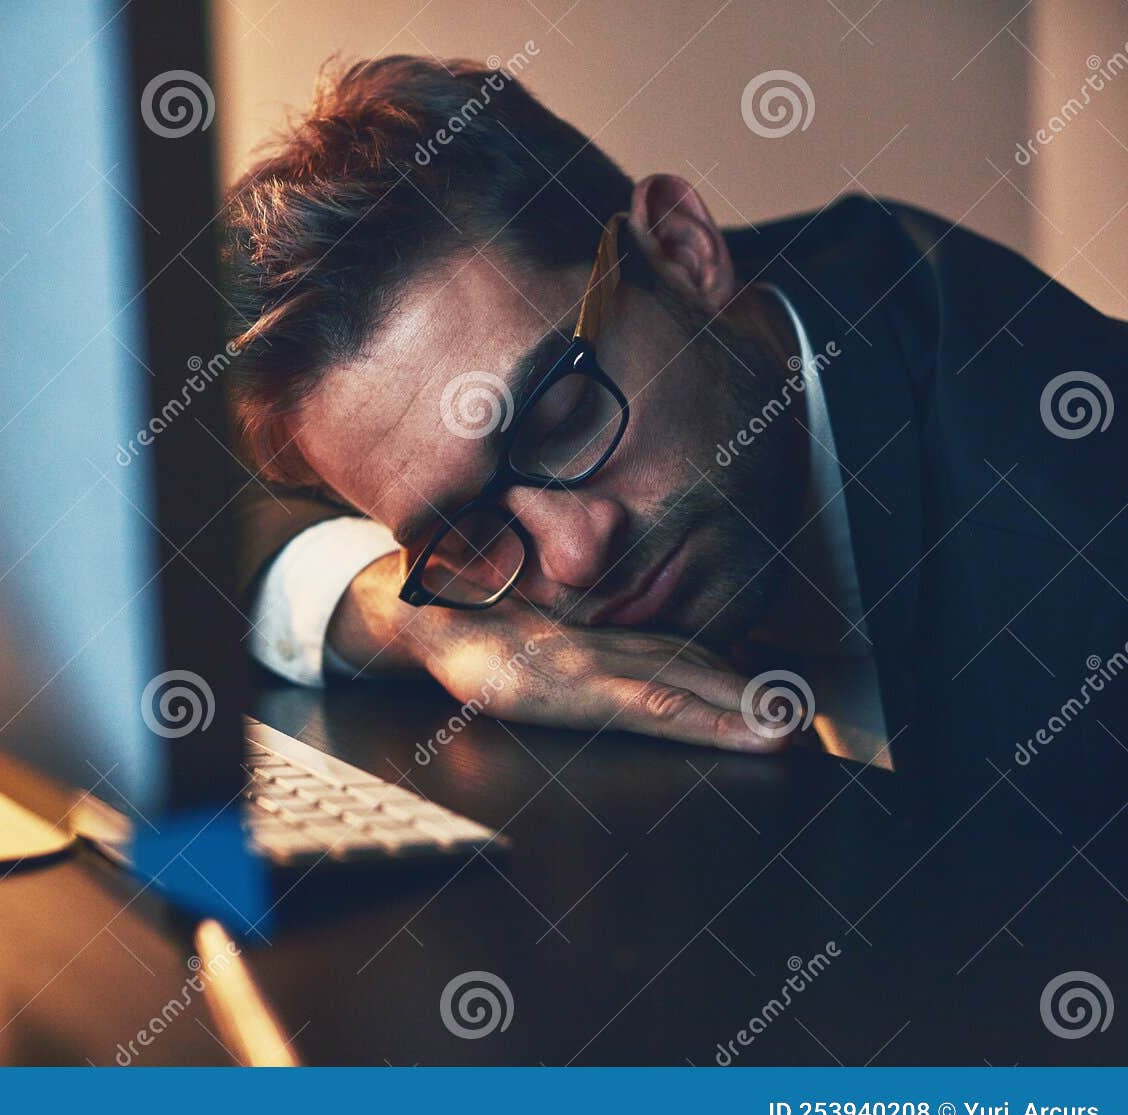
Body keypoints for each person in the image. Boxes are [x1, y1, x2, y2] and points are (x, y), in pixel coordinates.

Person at [220, 56, 1128, 777]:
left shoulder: (1085, 560)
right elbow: (201, 532)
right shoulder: (436, 446)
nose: (575, 558)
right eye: (463, 536)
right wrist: (405, 611)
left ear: (685, 252)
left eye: (562, 416)